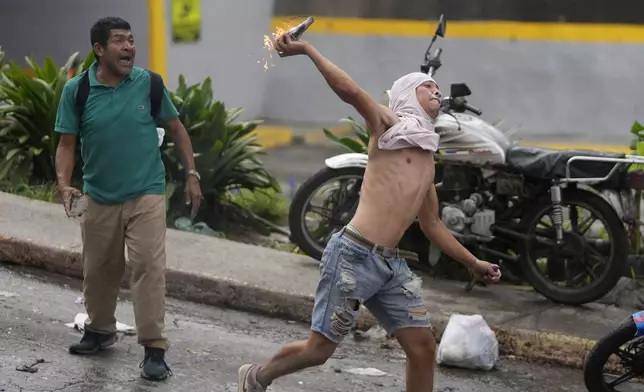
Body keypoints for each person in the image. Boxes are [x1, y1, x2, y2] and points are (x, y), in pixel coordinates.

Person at [237, 33, 502, 392]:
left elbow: (432, 224)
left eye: (438, 88)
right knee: (319, 350)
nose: (436, 90)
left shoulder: (427, 159)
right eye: (428, 86)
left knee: (423, 348)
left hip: (389, 265)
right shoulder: (387, 127)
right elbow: (351, 92)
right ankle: (257, 376)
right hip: (352, 254)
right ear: (408, 95)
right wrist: (308, 50)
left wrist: (474, 263)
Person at [54, 17, 202, 381]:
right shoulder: (78, 90)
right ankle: (100, 330)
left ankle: (154, 348)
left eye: (132, 40)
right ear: (99, 49)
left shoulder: (149, 84)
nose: (129, 47)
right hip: (99, 194)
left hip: (146, 193)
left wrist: (192, 174)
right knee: (99, 268)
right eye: (119, 41)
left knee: (148, 268)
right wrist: (63, 183)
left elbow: (177, 129)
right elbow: (66, 144)